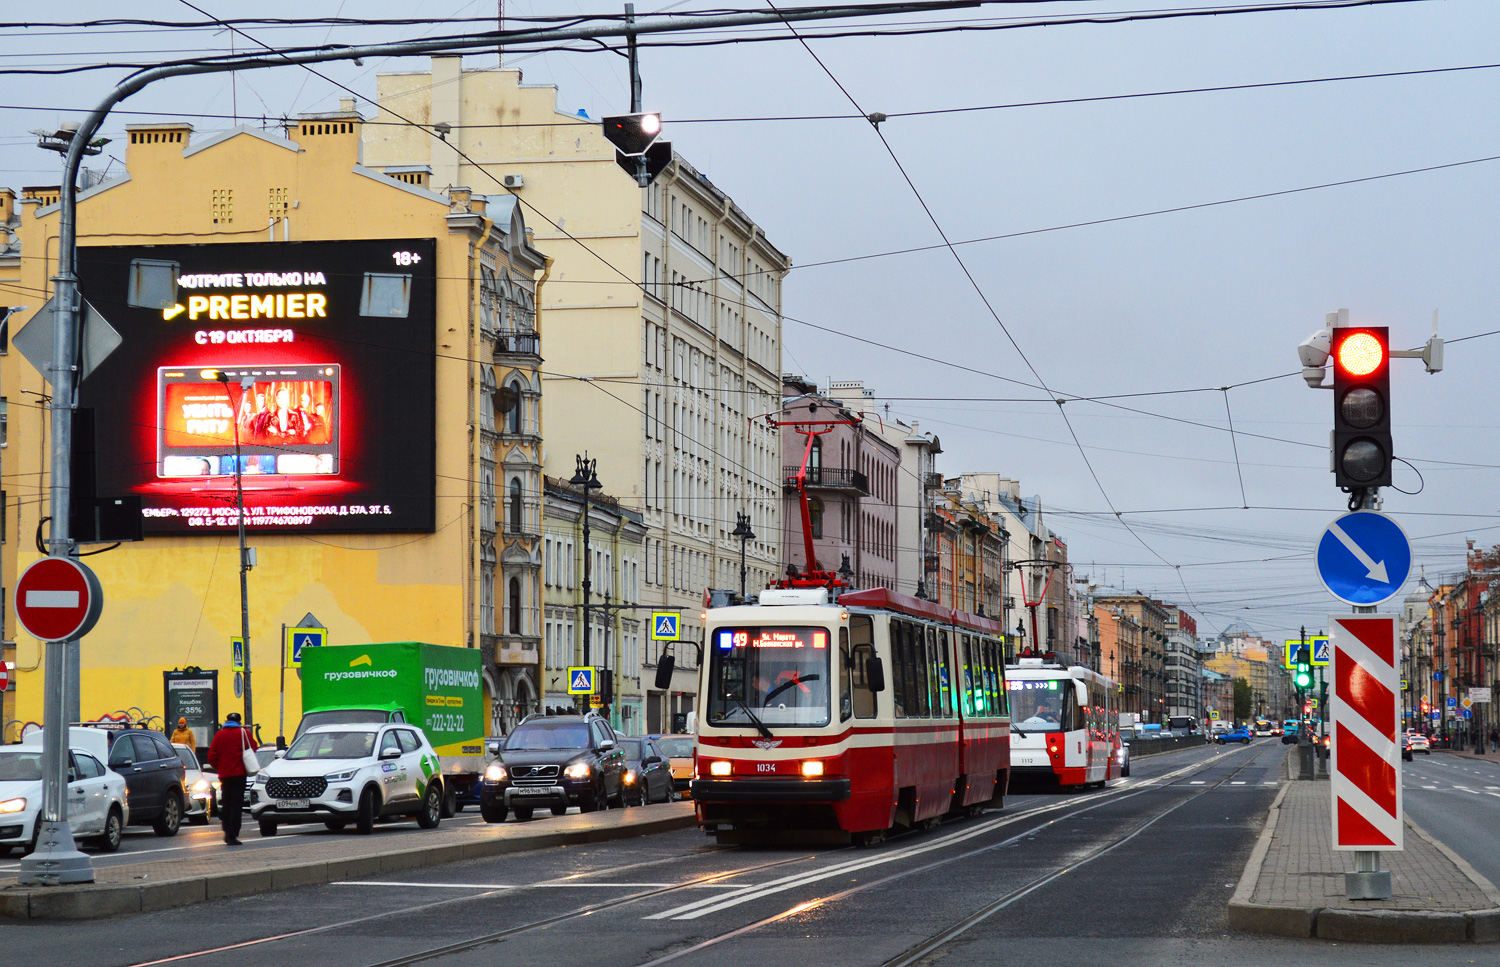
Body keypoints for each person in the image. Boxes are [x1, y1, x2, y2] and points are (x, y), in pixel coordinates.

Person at [205, 711, 258, 845]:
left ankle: (226, 829)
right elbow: (253, 747)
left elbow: (211, 756)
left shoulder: (219, 735)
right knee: (236, 805)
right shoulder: (243, 733)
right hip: (239, 775)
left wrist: (220, 767)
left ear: (226, 720)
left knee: (227, 803)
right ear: (239, 722)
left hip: (225, 776)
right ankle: (232, 834)